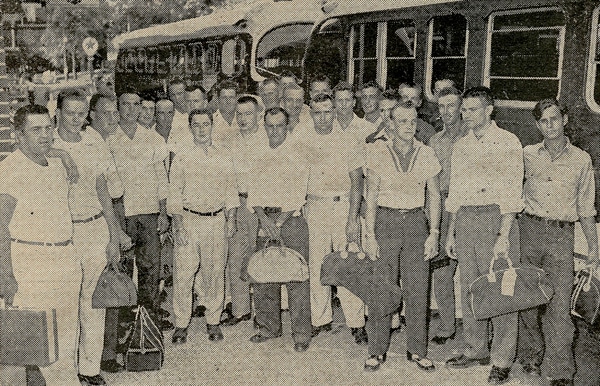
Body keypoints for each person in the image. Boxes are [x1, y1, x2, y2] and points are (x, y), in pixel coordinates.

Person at [517, 99, 599, 386]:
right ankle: (530, 357)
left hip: (561, 237)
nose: (549, 126)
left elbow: (586, 209)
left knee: (560, 306)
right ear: (537, 125)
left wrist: (594, 248)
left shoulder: (581, 159)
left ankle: (561, 371)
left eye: (554, 119)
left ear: (564, 119)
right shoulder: (526, 154)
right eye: (543, 121)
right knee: (527, 300)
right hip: (528, 229)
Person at [445, 86, 523, 385]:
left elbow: (512, 192)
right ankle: (475, 348)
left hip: (496, 219)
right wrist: (451, 233)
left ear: (489, 110)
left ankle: (502, 359)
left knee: (502, 291)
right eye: (463, 110)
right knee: (470, 288)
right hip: (466, 220)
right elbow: (456, 193)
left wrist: (503, 235)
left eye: (472, 109)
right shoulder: (462, 145)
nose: (465, 115)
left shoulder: (507, 142)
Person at [0, 105, 82, 385]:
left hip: (66, 261)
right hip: (31, 264)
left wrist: (63, 154)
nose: (45, 135)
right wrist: (6, 276)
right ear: (18, 135)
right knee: (28, 349)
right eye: (36, 130)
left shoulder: (56, 163)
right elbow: (0, 228)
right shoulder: (10, 169)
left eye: (48, 128)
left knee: (66, 342)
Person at [53, 90, 130, 386]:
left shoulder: (94, 140)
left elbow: (103, 191)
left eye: (81, 113)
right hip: (63, 233)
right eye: (70, 112)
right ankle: (66, 370)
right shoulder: (48, 143)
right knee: (67, 301)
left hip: (95, 227)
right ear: (58, 112)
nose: (76, 119)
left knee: (93, 302)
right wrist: (60, 152)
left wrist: (113, 236)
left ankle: (89, 368)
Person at [363, 100, 441, 372]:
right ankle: (376, 349)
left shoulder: (427, 153)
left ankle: (417, 350)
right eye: (402, 122)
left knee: (418, 289)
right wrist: (370, 234)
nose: (408, 127)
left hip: (416, 223)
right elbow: (370, 196)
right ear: (390, 124)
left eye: (412, 121)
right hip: (386, 222)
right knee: (382, 288)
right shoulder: (377, 152)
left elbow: (433, 196)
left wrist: (434, 233)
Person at [244, 107, 312, 352]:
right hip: (265, 219)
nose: (274, 131)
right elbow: (253, 191)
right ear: (264, 126)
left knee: (297, 278)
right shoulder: (257, 152)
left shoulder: (298, 152)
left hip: (290, 221)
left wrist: (279, 222)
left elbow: (297, 193)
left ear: (287, 125)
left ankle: (302, 333)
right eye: (270, 126)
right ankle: (269, 328)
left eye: (279, 126)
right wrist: (263, 219)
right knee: (263, 275)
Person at [168, 108, 238, 343]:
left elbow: (230, 190)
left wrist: (231, 219)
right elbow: (174, 194)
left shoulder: (223, 155)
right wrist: (178, 225)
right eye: (196, 125)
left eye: (205, 124)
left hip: (217, 220)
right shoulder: (182, 156)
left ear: (211, 126)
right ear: (190, 128)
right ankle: (181, 323)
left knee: (215, 272)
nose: (201, 129)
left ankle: (213, 320)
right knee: (184, 274)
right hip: (189, 220)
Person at [303, 93, 367, 345]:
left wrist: (352, 218)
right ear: (312, 114)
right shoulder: (303, 139)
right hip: (314, 206)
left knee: (348, 263)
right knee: (317, 264)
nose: (323, 117)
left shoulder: (349, 139)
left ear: (334, 111)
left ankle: (356, 322)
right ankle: (320, 319)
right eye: (318, 112)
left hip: (342, 207)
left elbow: (356, 182)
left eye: (327, 111)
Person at [109, 88, 170, 328]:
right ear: (119, 107)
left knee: (150, 267)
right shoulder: (109, 139)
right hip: (121, 212)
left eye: (138, 105)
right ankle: (123, 317)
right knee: (122, 266)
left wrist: (163, 213)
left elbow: (161, 177)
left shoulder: (153, 139)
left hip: (149, 211)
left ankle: (149, 316)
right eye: (127, 104)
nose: (132, 109)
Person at [428, 86, 467, 345]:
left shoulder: (473, 137)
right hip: (443, 207)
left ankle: (480, 333)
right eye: (441, 107)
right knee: (442, 273)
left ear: (461, 107)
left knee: (474, 273)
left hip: (469, 208)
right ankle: (446, 325)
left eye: (451, 106)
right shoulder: (435, 141)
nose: (446, 112)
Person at [223, 95, 266, 326]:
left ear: (259, 114)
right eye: (239, 114)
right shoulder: (230, 141)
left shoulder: (268, 139)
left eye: (248, 113)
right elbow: (227, 178)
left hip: (261, 206)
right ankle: (240, 310)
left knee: (259, 256)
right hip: (238, 204)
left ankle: (263, 312)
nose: (242, 118)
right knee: (236, 257)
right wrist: (230, 212)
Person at [212, 80, 239, 149]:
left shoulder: (243, 119)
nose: (228, 101)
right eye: (224, 98)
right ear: (218, 99)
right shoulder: (211, 122)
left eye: (231, 97)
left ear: (236, 99)